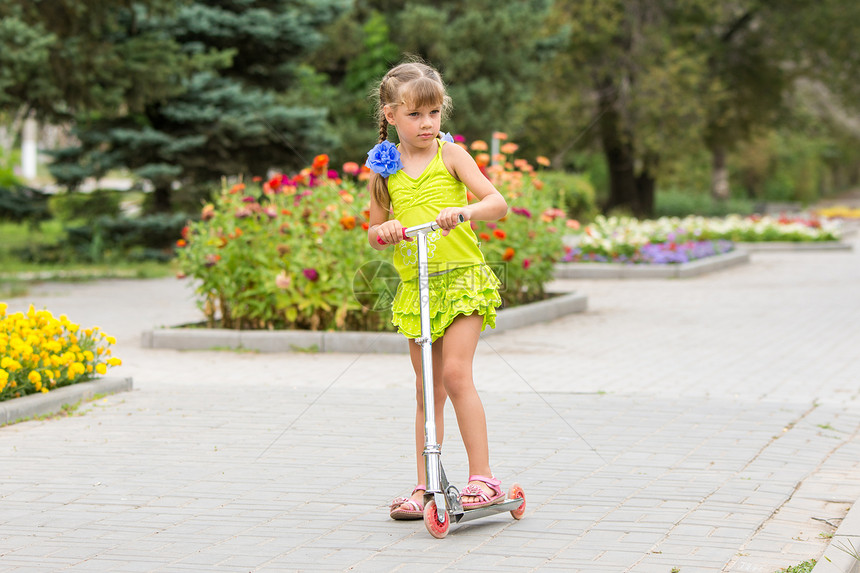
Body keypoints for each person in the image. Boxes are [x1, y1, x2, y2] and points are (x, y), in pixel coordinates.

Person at [365, 61, 509, 520]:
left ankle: (482, 477)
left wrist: (462, 212)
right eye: (415, 115)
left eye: (434, 113)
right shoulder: (383, 168)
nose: (427, 124)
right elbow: (372, 229)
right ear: (390, 115)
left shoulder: (452, 155)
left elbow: (497, 203)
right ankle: (428, 486)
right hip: (418, 286)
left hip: (462, 278)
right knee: (426, 390)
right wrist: (385, 228)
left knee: (455, 376)